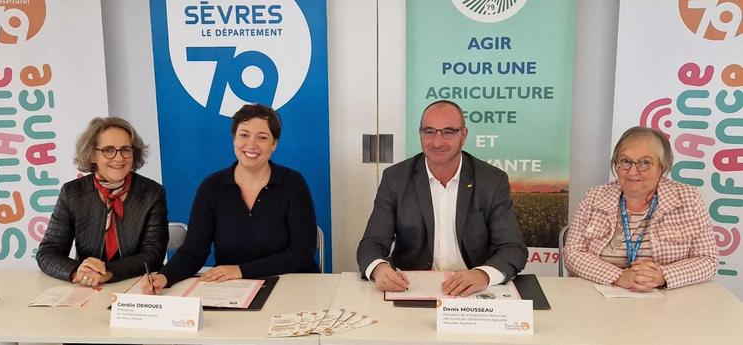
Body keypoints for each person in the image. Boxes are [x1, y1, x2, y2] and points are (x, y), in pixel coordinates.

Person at [356, 100, 527, 297]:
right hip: (411, 288)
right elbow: (371, 243)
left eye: (448, 132)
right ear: (420, 134)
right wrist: (379, 269)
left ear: (464, 135)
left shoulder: (491, 180)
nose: (437, 142)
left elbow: (512, 248)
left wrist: (483, 275)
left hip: (473, 293)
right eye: (429, 131)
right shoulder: (395, 178)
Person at [142, 104, 317, 293]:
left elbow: (302, 254)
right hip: (232, 290)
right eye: (244, 135)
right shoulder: (212, 187)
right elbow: (193, 252)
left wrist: (241, 270)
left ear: (274, 144)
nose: (251, 144)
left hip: (291, 287)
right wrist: (164, 277)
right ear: (234, 139)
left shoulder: (293, 184)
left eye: (262, 137)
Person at [564, 126, 717, 291]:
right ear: (615, 165)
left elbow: (708, 259)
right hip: (600, 297)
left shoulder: (688, 199)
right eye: (625, 161)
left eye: (645, 162)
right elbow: (572, 253)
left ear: (662, 167)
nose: (632, 171)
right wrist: (618, 277)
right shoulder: (594, 197)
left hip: (669, 302)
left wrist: (662, 275)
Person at [36, 117, 169, 286]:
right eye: (108, 150)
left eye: (125, 150)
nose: (119, 158)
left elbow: (153, 256)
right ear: (91, 155)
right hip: (89, 286)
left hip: (137, 287)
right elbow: (48, 252)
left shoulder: (152, 193)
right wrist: (78, 272)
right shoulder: (72, 193)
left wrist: (107, 273)